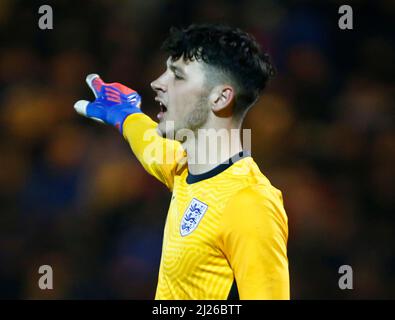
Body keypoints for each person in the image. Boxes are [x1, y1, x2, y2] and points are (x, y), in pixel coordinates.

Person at [74, 24, 289, 300]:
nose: (157, 83)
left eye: (177, 76)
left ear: (221, 97)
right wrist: (125, 114)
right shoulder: (185, 167)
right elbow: (152, 147)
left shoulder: (250, 202)